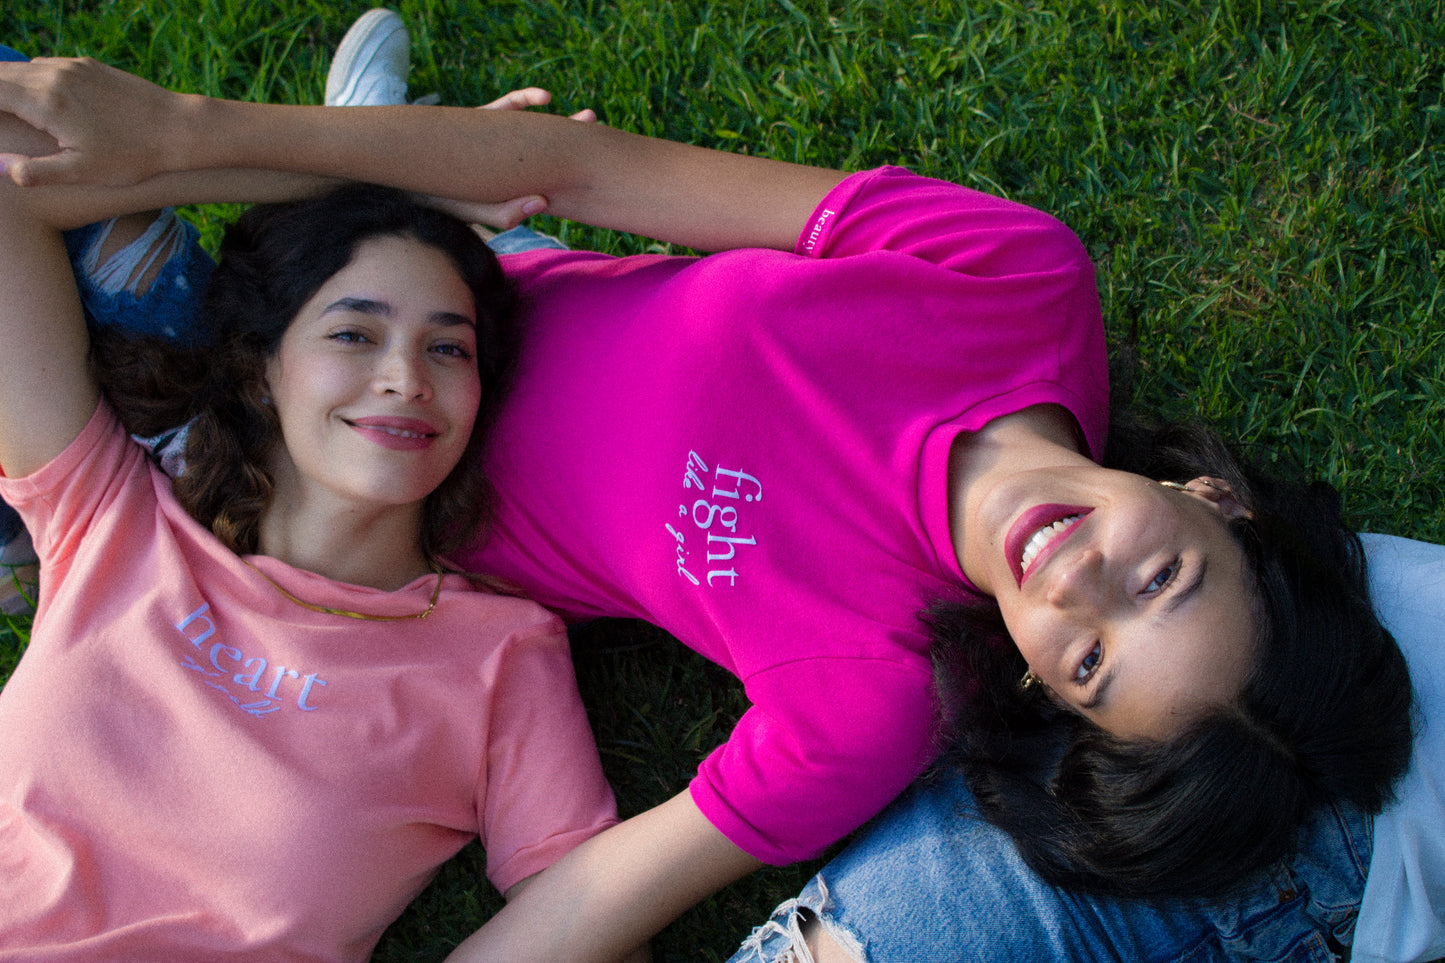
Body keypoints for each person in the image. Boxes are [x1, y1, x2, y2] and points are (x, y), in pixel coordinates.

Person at [0, 15, 1420, 960]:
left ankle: (343, 210)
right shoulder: (1014, 286)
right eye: (1157, 571)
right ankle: (371, 179)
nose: (1070, 585)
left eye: (1092, 661)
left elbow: (609, 883)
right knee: (84, 143)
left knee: (150, 324)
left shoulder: (870, 696)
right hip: (475, 269)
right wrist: (173, 126)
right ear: (1215, 502)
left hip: (347, 457)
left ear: (1049, 692)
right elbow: (576, 165)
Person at [0, 42, 622, 959]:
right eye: (353, 333)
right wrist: (386, 168)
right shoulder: (112, 518)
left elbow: (580, 907)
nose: (405, 377)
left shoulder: (498, 655)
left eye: (449, 348)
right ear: (261, 367)